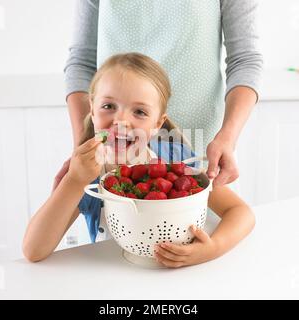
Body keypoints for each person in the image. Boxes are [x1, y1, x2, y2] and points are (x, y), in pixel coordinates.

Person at [23, 53, 255, 267]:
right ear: (92, 110)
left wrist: (212, 249)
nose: (121, 120)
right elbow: (33, 250)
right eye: (108, 106)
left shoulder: (175, 158)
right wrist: (74, 180)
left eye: (140, 112)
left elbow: (240, 212)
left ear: (157, 124)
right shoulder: (85, 173)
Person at [59, 0, 263, 190]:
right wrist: (83, 146)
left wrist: (228, 137)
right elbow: (82, 62)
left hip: (200, 147)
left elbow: (245, 60)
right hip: (111, 155)